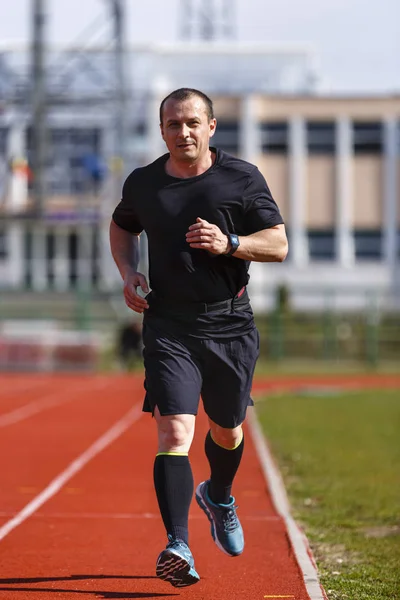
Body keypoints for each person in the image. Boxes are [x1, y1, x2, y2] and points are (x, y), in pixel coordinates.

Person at [109, 87, 288, 588]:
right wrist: (128, 272)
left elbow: (278, 245)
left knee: (227, 430)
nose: (182, 133)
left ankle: (220, 495)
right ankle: (178, 545)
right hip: (169, 325)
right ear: (161, 130)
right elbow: (122, 226)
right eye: (172, 124)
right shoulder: (144, 183)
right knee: (174, 434)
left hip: (230, 323)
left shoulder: (241, 177)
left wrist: (231, 243)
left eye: (192, 123)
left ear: (210, 127)